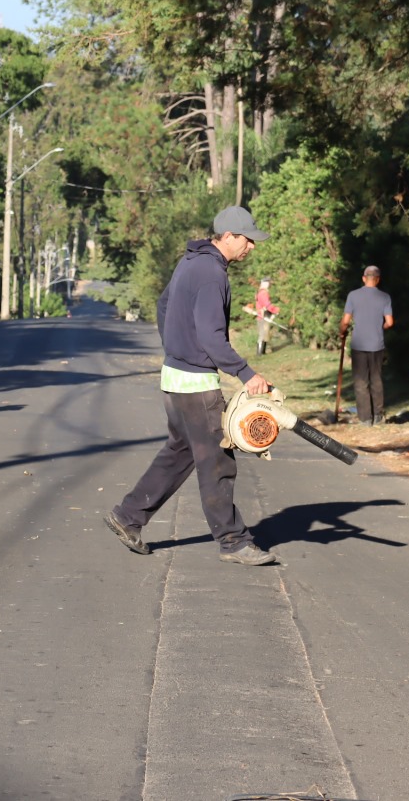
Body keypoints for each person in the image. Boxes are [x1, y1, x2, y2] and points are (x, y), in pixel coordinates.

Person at [105, 206, 278, 566]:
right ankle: (233, 541)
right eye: (247, 240)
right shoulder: (212, 273)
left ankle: (128, 517)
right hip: (196, 383)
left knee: (179, 452)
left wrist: (175, 349)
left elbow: (163, 303)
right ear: (228, 236)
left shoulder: (191, 261)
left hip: (174, 376)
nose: (251, 247)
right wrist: (248, 374)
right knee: (217, 461)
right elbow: (212, 338)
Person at [340, 265, 393, 425]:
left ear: (364, 278)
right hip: (377, 344)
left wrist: (342, 332)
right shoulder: (384, 297)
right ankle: (378, 415)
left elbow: (345, 321)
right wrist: (379, 327)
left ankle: (365, 418)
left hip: (359, 344)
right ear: (378, 279)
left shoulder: (353, 296)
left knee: (361, 381)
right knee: (376, 379)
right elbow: (390, 322)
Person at [255, 277, 279, 356]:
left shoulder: (262, 292)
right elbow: (267, 305)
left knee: (265, 334)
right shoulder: (263, 293)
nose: (269, 284)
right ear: (265, 283)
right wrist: (276, 310)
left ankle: (263, 352)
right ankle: (259, 353)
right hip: (263, 316)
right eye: (268, 282)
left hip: (264, 315)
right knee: (262, 334)